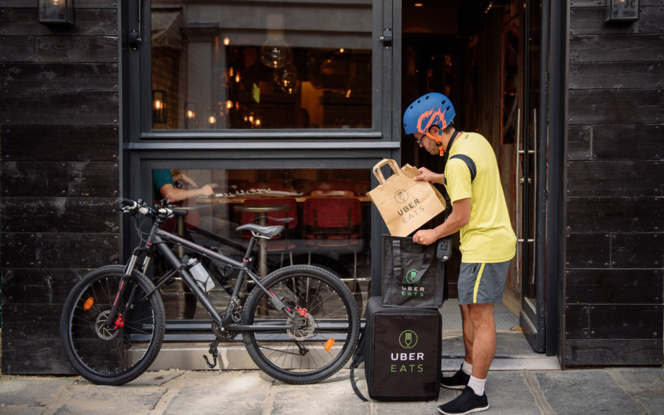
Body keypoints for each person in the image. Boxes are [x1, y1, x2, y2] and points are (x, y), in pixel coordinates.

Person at [402, 93, 516, 415]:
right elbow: (468, 179)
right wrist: (434, 177)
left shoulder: (456, 161)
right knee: (468, 310)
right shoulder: (474, 142)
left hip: (485, 246)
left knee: (481, 318)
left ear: (434, 129)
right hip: (487, 243)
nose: (420, 143)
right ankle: (467, 371)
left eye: (419, 136)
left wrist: (431, 234)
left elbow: (460, 216)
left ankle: (477, 393)